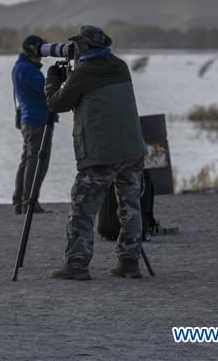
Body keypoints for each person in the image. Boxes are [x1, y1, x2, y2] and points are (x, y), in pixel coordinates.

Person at [44, 25, 148, 280]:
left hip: (101, 153)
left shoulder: (83, 74)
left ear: (86, 48)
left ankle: (77, 265)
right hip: (132, 150)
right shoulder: (121, 67)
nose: (75, 49)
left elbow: (58, 104)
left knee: (82, 209)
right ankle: (129, 262)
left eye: (77, 46)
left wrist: (52, 81)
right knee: (130, 207)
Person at [11, 35, 55, 215]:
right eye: (41, 48)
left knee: (27, 160)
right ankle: (30, 203)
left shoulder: (20, 67)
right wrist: (58, 79)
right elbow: (48, 90)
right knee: (37, 163)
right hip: (38, 121)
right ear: (32, 48)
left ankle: (20, 201)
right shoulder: (29, 70)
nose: (43, 51)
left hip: (29, 120)